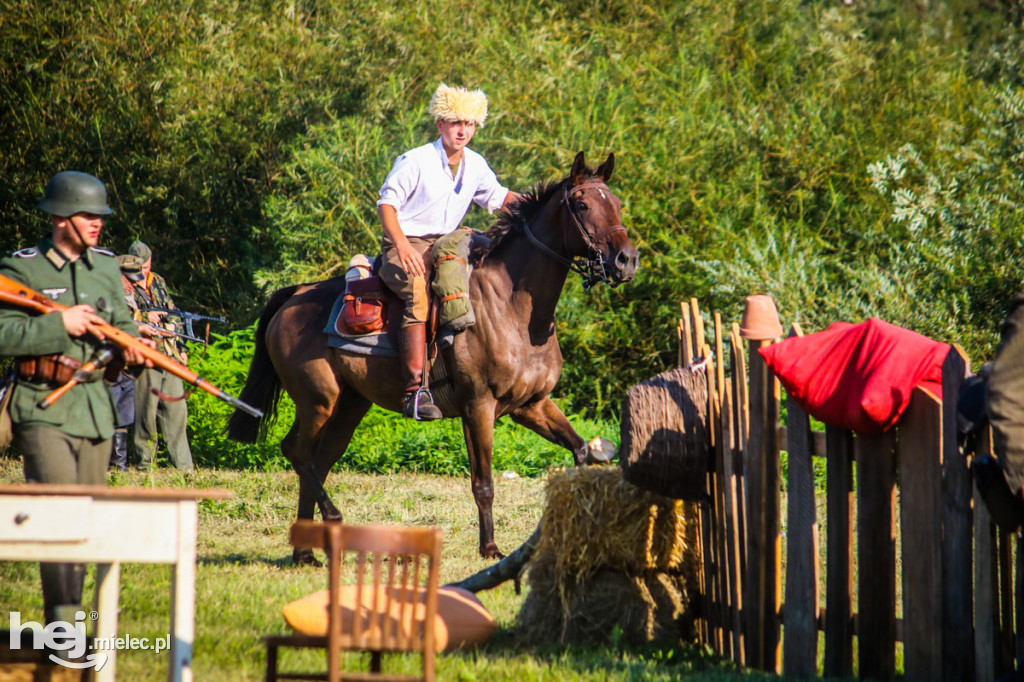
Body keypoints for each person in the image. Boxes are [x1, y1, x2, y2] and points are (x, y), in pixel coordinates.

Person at [0, 170, 153, 624]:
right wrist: (58, 325)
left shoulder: (105, 267)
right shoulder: (21, 269)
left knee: (86, 518)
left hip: (94, 409)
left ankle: (71, 619)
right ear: (61, 217)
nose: (97, 223)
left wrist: (133, 346)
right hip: (42, 405)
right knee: (59, 514)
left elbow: (121, 324)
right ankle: (60, 623)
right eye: (88, 215)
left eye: (100, 216)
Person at [377, 83, 521, 420]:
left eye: (469, 123)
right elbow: (386, 205)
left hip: (449, 242)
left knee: (494, 271)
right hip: (407, 242)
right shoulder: (415, 160)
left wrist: (546, 203)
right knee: (419, 295)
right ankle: (415, 392)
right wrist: (400, 245)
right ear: (440, 124)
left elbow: (498, 198)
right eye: (455, 122)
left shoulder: (476, 164)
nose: (462, 130)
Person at [127, 240, 194, 472]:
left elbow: (173, 311)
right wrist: (146, 319)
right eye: (139, 266)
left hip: (168, 353)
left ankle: (184, 467)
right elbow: (117, 319)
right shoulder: (122, 282)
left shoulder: (158, 282)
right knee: (146, 411)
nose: (143, 271)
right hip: (144, 355)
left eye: (146, 266)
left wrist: (180, 343)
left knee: (177, 410)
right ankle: (145, 465)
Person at [106, 254, 148, 470]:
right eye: (130, 279)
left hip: (126, 367)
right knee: (107, 414)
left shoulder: (134, 296)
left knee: (123, 415)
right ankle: (103, 464)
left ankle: (119, 466)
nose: (134, 284)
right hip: (107, 366)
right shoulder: (103, 297)